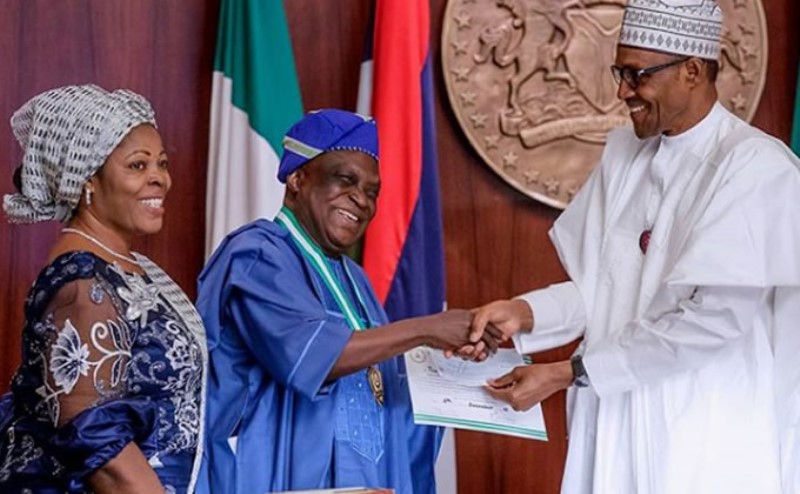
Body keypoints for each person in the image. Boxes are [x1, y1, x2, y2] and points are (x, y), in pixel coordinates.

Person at [469, 1, 800, 492]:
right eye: (619, 72)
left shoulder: (756, 168)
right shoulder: (625, 155)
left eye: (635, 74)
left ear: (691, 70)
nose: (622, 91)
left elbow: (712, 321)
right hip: (613, 418)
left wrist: (569, 372)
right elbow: (601, 289)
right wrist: (523, 313)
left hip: (703, 427)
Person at [196, 109, 497, 494]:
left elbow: (380, 388)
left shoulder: (354, 279)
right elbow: (314, 358)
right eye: (345, 180)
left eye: (372, 191)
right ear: (297, 179)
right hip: (279, 477)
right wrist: (428, 329)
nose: (361, 200)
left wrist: (466, 367)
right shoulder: (255, 255)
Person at [0, 85, 207, 493]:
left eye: (161, 163)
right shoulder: (84, 284)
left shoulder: (118, 267)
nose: (159, 178)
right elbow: (98, 443)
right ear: (87, 179)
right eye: (137, 165)